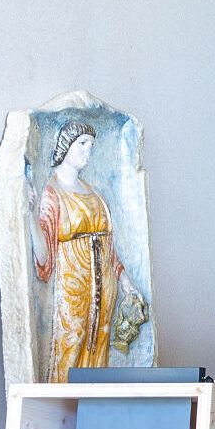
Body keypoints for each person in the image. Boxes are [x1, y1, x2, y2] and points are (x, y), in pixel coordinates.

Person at [33, 121, 144, 383]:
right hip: (73, 291)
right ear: (65, 146)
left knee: (99, 354)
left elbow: (109, 250)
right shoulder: (52, 194)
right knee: (70, 348)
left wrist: (126, 282)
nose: (88, 151)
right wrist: (29, 217)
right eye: (82, 143)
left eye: (91, 145)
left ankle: (95, 405)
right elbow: (44, 257)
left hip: (105, 292)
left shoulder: (95, 195)